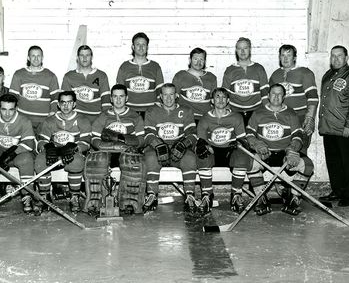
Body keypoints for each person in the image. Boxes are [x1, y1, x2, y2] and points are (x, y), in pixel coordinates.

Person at [244, 84, 314, 216]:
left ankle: (293, 198)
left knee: (307, 165)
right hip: (265, 153)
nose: (276, 97)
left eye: (279, 94)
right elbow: (249, 134)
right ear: (268, 96)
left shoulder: (291, 113)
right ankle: (260, 198)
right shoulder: (258, 113)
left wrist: (292, 150)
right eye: (273, 94)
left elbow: (298, 135)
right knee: (250, 163)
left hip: (284, 153)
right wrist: (257, 144)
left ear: (284, 96)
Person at [318, 46, 349, 207]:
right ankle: (337, 191)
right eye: (333, 56)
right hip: (328, 128)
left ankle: (348, 195)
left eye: (339, 56)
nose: (336, 59)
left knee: (347, 163)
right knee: (333, 162)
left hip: (344, 129)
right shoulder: (328, 75)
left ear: (346, 58)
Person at [90, 84, 145, 214]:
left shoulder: (135, 117)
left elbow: (142, 140)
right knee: (97, 162)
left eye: (121, 97)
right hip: (108, 151)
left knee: (133, 164)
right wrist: (111, 145)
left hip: (126, 151)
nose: (118, 100)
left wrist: (123, 140)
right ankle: (97, 202)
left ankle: (129, 203)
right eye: (115, 96)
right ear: (111, 98)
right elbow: (94, 139)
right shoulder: (103, 116)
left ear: (126, 98)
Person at [143, 83, 198, 212]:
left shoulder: (186, 111)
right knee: (150, 157)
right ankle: (152, 194)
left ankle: (189, 194)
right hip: (159, 150)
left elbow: (193, 134)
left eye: (171, 95)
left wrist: (183, 144)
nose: (168, 98)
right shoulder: (152, 111)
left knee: (190, 158)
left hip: (177, 150)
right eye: (165, 95)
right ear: (160, 96)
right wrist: (158, 145)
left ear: (176, 96)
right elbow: (148, 135)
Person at [34, 91, 91, 214]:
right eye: (63, 103)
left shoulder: (82, 120)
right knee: (40, 161)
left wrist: (75, 147)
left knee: (77, 161)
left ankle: (74, 196)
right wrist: (48, 147)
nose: (66, 106)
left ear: (74, 104)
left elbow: (86, 142)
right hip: (54, 153)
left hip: (71, 153)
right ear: (58, 105)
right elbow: (41, 141)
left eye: (69, 102)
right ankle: (45, 196)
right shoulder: (50, 120)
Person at [195, 88, 248, 213]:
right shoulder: (205, 118)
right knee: (202, 156)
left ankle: (236, 194)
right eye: (217, 97)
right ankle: (207, 195)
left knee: (242, 157)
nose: (220, 100)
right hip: (213, 150)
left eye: (223, 97)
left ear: (228, 100)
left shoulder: (236, 117)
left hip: (229, 150)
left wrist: (239, 143)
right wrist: (203, 145)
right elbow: (201, 140)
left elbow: (243, 139)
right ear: (212, 101)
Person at [269, 44, 319, 154]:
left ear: (295, 58)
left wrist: (310, 118)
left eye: (289, 55)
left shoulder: (305, 73)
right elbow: (270, 99)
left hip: (300, 117)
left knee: (299, 151)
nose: (285, 58)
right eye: (282, 55)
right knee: (283, 152)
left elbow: (313, 98)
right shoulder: (275, 74)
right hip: (281, 118)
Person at [9, 45, 60, 135]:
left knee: (42, 147)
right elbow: (12, 98)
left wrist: (52, 115)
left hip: (43, 122)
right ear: (28, 58)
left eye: (38, 56)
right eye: (33, 56)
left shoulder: (51, 76)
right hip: (24, 121)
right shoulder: (19, 74)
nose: (36, 58)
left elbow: (55, 98)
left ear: (42, 57)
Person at [116, 32, 164, 119]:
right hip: (129, 111)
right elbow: (119, 91)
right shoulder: (124, 66)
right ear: (133, 47)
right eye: (138, 44)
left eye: (144, 44)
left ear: (147, 47)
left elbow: (160, 92)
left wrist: (157, 111)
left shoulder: (155, 66)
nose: (141, 47)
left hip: (150, 112)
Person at [222, 37, 269, 125]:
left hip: (255, 112)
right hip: (235, 113)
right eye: (240, 49)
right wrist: (227, 113)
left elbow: (265, 93)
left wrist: (266, 112)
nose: (242, 51)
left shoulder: (259, 68)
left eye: (245, 48)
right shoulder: (230, 70)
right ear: (236, 51)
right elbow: (225, 94)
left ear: (250, 49)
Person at [61, 45, 111, 123]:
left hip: (96, 119)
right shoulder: (69, 76)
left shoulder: (102, 76)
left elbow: (106, 103)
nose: (84, 58)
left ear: (91, 57)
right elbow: (64, 102)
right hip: (75, 120)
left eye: (87, 55)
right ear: (77, 58)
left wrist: (102, 121)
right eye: (82, 55)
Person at [172, 47, 217, 123]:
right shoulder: (180, 76)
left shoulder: (212, 78)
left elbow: (214, 102)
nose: (198, 62)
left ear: (205, 61)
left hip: (205, 119)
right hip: (185, 118)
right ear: (190, 60)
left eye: (201, 59)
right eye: (195, 59)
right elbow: (173, 99)